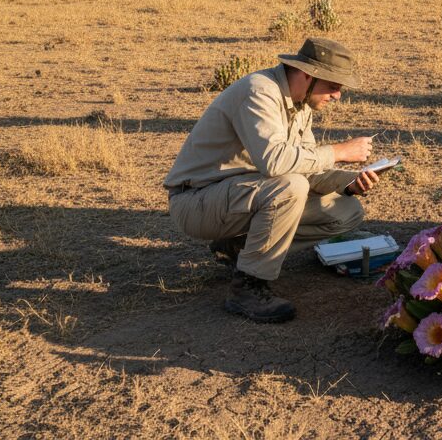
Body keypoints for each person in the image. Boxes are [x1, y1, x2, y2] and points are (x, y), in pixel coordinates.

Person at [164, 37, 383, 323]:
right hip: (196, 201)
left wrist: (348, 183)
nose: (338, 95)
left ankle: (239, 248)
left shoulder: (301, 104)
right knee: (291, 187)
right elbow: (276, 163)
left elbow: (307, 167)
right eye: (333, 85)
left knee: (345, 211)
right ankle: (248, 286)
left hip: (240, 194)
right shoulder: (259, 92)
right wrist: (339, 152)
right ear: (308, 75)